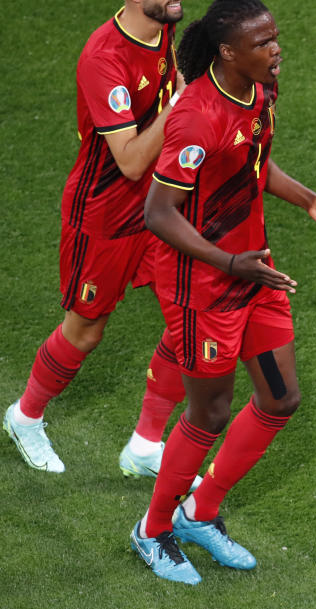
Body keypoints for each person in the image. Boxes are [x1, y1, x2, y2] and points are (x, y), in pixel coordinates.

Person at [128, 0, 316, 585]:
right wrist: (227, 261)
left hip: (253, 274)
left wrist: (310, 199)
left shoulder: (259, 91)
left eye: (275, 37)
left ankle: (199, 512)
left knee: (280, 398)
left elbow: (252, 164)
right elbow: (159, 213)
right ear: (227, 52)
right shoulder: (193, 118)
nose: (275, 49)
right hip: (203, 285)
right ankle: (152, 530)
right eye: (262, 42)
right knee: (208, 413)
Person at [3, 0, 189, 475]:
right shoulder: (103, 57)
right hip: (105, 216)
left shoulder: (161, 27)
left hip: (160, 204)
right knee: (85, 330)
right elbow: (127, 159)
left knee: (190, 313)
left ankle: (146, 444)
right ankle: (25, 417)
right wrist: (176, 108)